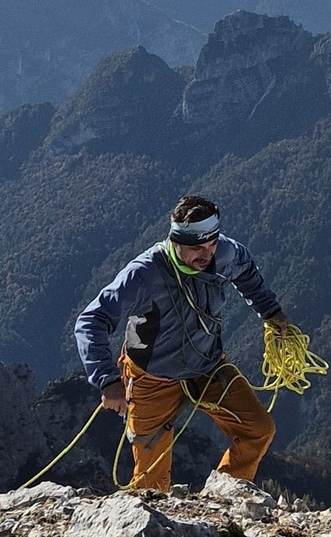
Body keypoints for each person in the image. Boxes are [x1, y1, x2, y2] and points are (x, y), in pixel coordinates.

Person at [74, 194, 291, 491]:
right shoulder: (145, 274)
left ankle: (225, 494)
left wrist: (272, 312)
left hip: (208, 367)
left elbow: (246, 272)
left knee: (259, 430)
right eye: (196, 248)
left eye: (211, 244)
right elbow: (91, 321)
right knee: (151, 485)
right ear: (175, 241)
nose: (206, 254)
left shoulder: (224, 253)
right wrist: (108, 381)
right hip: (152, 380)